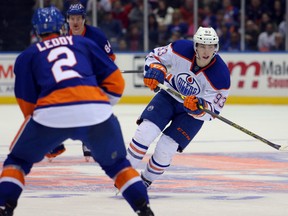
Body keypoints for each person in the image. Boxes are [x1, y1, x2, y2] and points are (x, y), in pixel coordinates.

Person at [0, 6, 154, 216]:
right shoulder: (82, 43)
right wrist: (99, 108)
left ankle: (4, 207)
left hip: (51, 115)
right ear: (63, 26)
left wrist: (47, 140)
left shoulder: (27, 56)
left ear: (35, 31)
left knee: (17, 161)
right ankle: (143, 209)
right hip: (96, 112)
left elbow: (27, 103)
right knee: (118, 166)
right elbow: (116, 82)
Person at [126, 26, 231, 187]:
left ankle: (145, 181)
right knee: (144, 132)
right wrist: (156, 69)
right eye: (202, 45)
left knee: (165, 149)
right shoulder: (180, 48)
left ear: (216, 47)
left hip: (190, 114)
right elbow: (154, 56)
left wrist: (199, 107)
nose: (206, 51)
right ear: (195, 45)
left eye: (211, 46)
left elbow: (213, 112)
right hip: (169, 96)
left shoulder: (221, 76)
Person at [46, 3, 116, 161]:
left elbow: (110, 58)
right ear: (68, 20)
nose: (75, 22)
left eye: (78, 18)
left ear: (84, 19)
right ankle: (54, 145)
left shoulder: (97, 36)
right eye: (72, 18)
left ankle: (88, 141)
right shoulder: (61, 36)